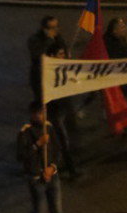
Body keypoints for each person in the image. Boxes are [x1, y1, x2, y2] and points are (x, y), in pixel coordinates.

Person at [17, 101, 68, 213]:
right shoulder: (25, 131)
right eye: (39, 113)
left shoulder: (49, 127)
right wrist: (37, 144)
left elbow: (57, 150)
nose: (42, 116)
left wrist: (52, 167)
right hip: (36, 179)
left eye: (44, 112)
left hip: (52, 176)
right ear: (32, 114)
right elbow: (21, 156)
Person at [45, 43, 80, 181]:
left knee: (63, 140)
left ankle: (66, 166)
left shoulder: (63, 67)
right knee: (61, 141)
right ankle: (70, 169)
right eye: (60, 54)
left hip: (64, 109)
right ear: (52, 56)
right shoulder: (47, 71)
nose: (63, 56)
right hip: (55, 112)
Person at [28, 16, 67, 100]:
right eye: (52, 28)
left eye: (57, 26)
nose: (55, 30)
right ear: (44, 29)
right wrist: (49, 40)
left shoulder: (59, 38)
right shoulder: (35, 39)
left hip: (56, 76)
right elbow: (37, 54)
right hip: (40, 76)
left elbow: (64, 51)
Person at [104, 18, 127, 98]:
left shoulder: (122, 40)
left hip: (123, 78)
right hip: (114, 79)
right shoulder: (108, 43)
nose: (124, 29)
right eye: (121, 27)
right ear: (114, 30)